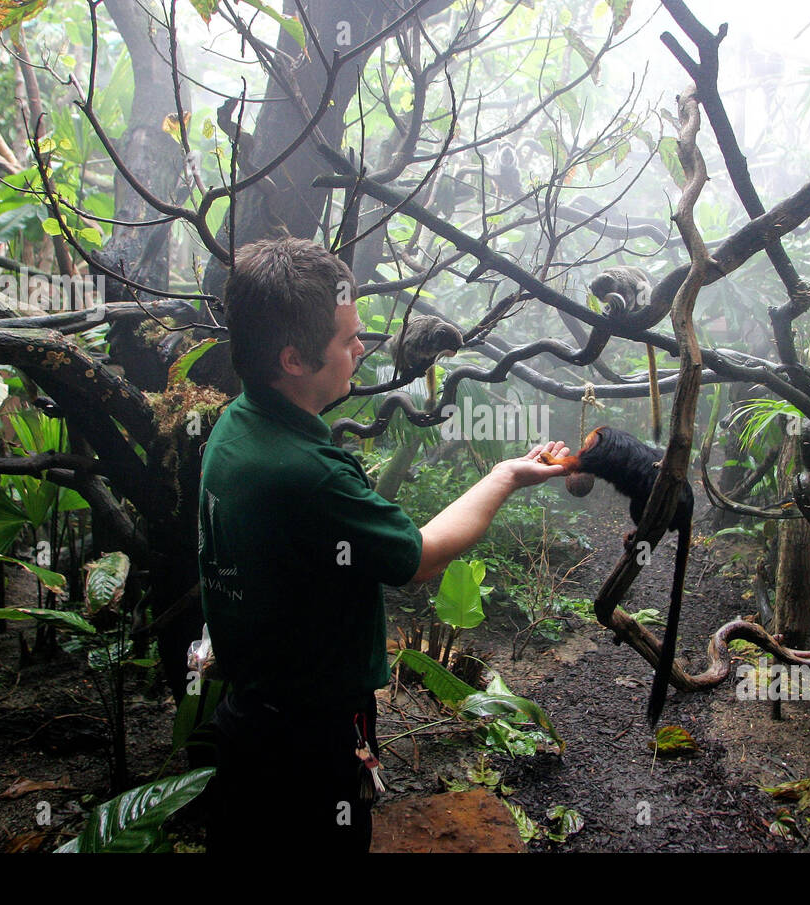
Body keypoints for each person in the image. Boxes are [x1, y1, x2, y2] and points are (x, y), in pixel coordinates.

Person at [198, 236, 569, 853]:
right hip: (308, 747)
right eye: (347, 340)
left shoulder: (238, 426)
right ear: (293, 359)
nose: (361, 348)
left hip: (250, 729)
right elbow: (418, 558)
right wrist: (505, 475)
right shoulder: (307, 473)